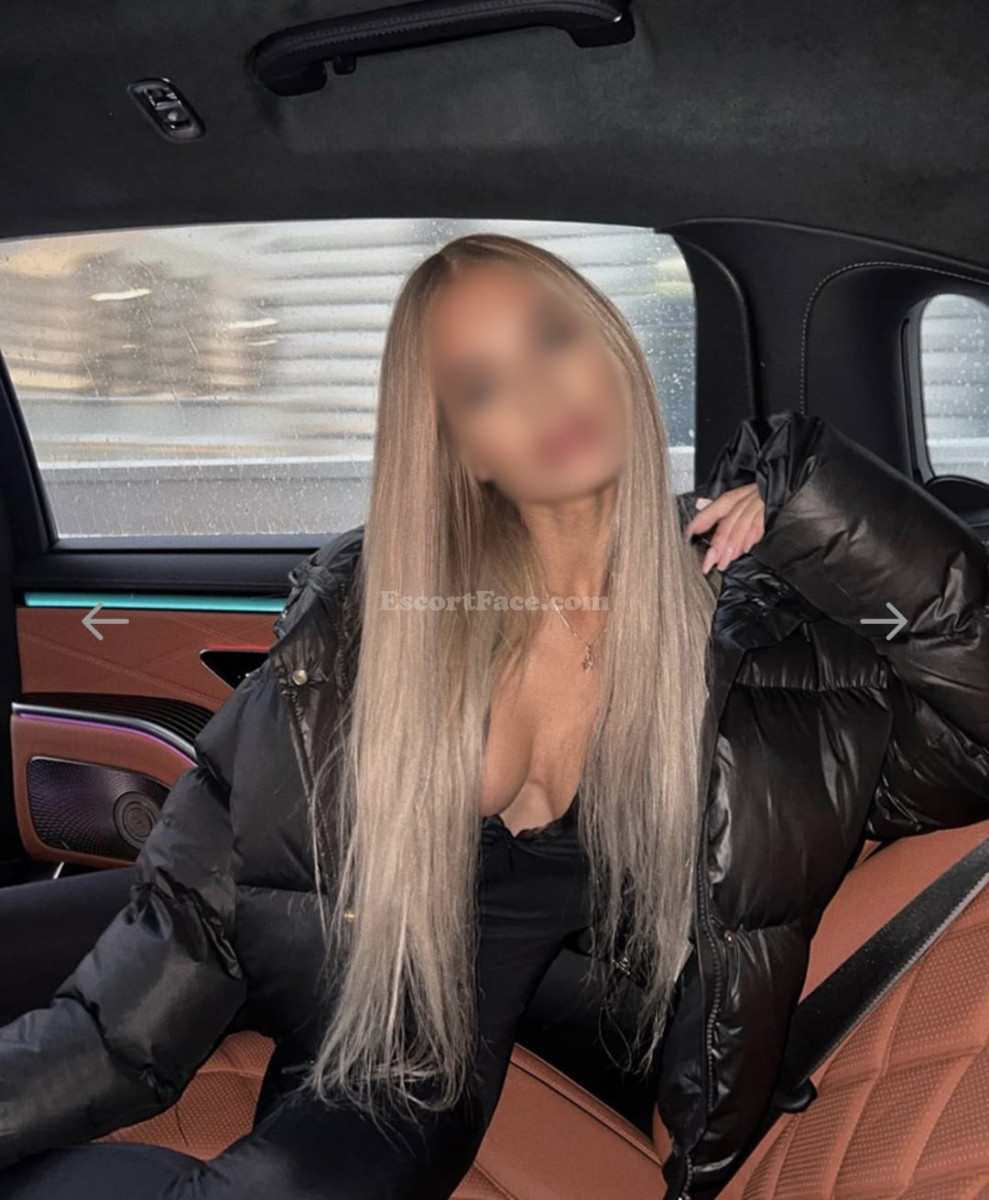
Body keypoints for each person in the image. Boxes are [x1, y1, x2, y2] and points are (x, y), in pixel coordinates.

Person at [0, 233, 986, 1200]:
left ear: (611, 345)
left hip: (413, 1048)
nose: (541, 393)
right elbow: (149, 989)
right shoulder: (375, 624)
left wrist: (820, 503)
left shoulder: (760, 644)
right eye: (482, 386)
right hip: (288, 934)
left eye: (552, 338)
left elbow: (972, 737)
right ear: (462, 447)